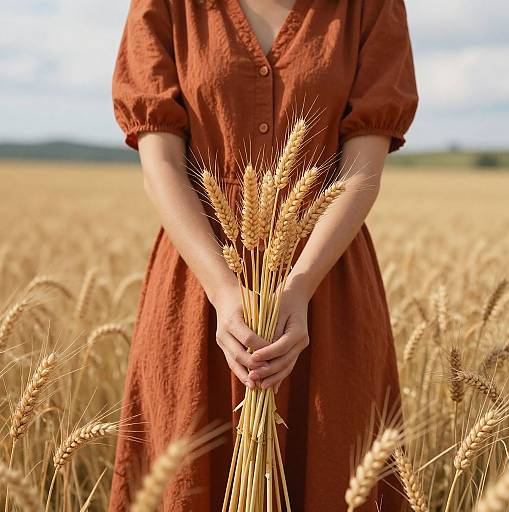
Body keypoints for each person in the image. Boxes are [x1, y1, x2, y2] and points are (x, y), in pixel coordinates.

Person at [108, 0, 418, 510]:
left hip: (326, 279)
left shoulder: (372, 6)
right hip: (198, 280)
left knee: (333, 472)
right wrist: (225, 290)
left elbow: (363, 170)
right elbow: (159, 161)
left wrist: (297, 287)